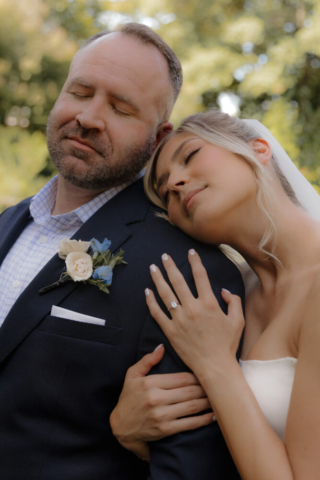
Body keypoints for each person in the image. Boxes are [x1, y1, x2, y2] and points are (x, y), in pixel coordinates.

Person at [0, 26, 245, 479]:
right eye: (80, 91)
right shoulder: (4, 226)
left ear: (158, 138)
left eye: (120, 107)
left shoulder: (188, 271)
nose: (89, 116)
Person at [110, 110, 320, 479]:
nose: (174, 182)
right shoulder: (219, 302)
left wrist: (214, 364)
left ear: (258, 149)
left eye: (190, 155)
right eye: (163, 193)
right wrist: (136, 433)